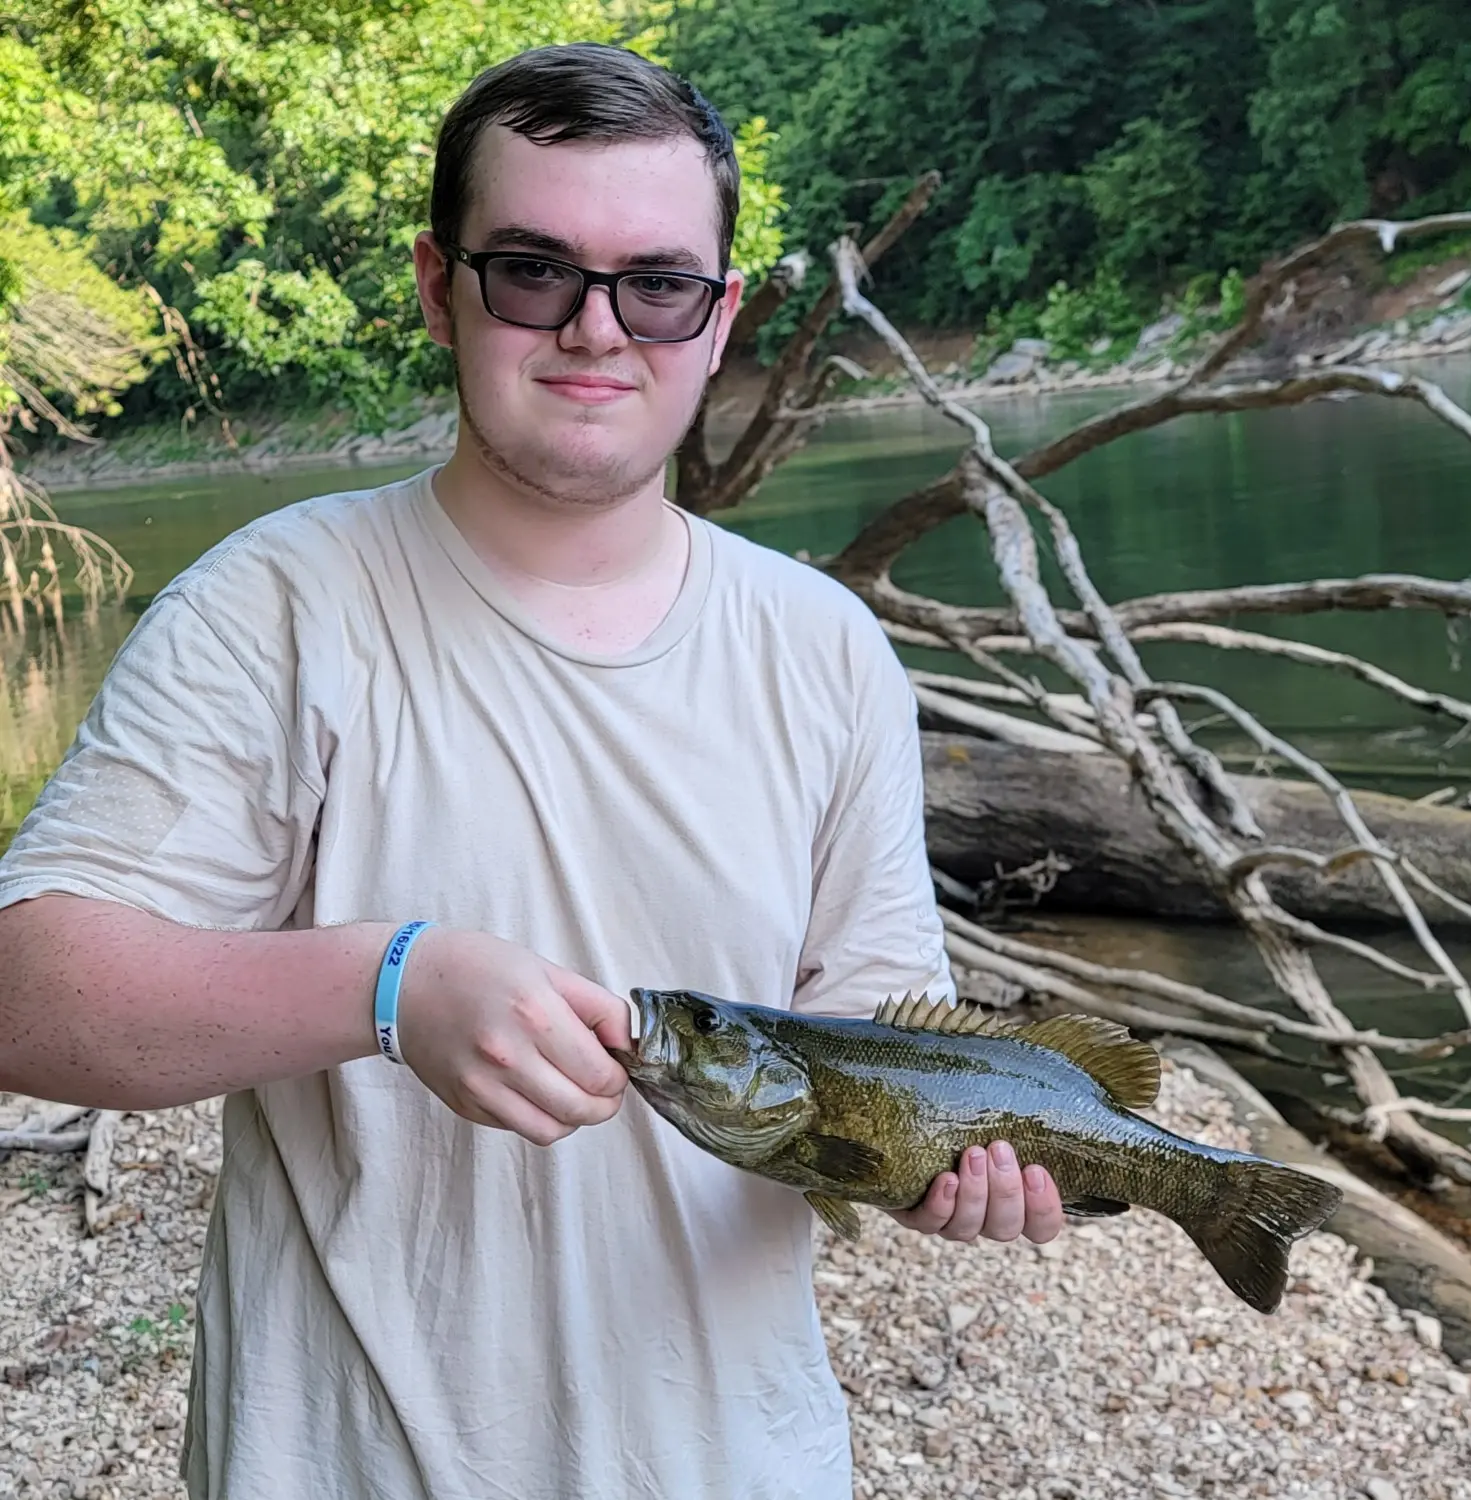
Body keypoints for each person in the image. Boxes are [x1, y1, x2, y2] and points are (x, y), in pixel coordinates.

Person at [0, 41, 1063, 1500]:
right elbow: (28, 995)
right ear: (442, 287)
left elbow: (857, 1032)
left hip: (738, 1463)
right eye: (533, 271)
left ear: (718, 312)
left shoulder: (825, 648)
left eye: (657, 283)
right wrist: (389, 987)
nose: (596, 330)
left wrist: (957, 1166)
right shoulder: (279, 608)